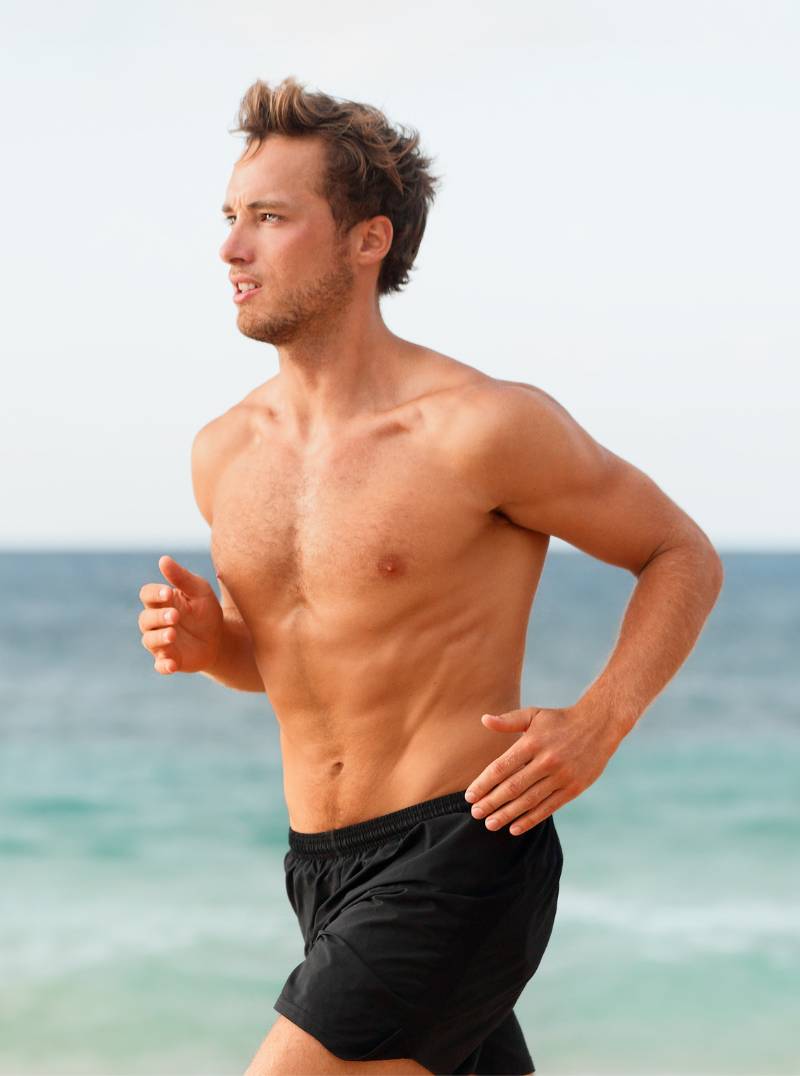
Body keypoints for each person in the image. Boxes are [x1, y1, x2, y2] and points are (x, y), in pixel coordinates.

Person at [137, 77, 724, 1076]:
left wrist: (598, 721)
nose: (231, 249)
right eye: (231, 219)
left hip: (462, 849)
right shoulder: (223, 452)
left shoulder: (479, 426)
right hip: (319, 868)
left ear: (367, 240)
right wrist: (216, 649)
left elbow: (679, 552)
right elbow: (293, 661)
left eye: (269, 219)